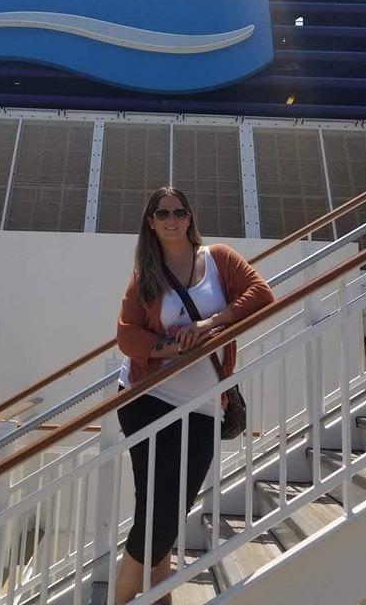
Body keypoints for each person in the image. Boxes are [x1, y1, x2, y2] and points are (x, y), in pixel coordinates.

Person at [115, 186, 274, 605]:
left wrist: (207, 327)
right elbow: (127, 335)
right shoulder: (145, 276)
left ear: (189, 217)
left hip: (204, 403)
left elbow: (262, 295)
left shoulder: (219, 259)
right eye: (162, 213)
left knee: (169, 508)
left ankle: (153, 597)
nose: (171, 219)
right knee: (157, 510)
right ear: (150, 223)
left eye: (179, 212)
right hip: (145, 399)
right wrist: (171, 348)